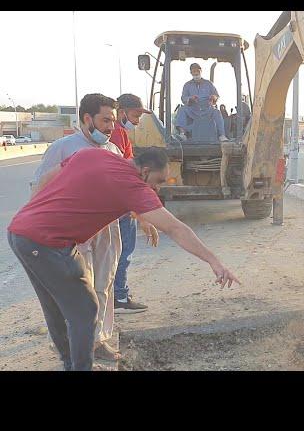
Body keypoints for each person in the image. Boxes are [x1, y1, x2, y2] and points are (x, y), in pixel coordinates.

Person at [8, 146, 239, 371]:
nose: (157, 189)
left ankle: (73, 364)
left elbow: (48, 177)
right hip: (46, 244)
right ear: (145, 171)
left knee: (57, 307)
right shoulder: (134, 187)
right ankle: (79, 367)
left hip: (21, 233)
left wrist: (32, 215)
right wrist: (214, 262)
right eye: (158, 181)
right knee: (86, 309)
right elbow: (176, 229)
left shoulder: (95, 154)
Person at [31, 93, 123, 361]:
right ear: (86, 118)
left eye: (113, 121)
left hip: (106, 231)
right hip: (72, 235)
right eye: (105, 120)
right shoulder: (63, 148)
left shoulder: (113, 150)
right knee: (77, 291)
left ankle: (98, 341)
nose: (110, 127)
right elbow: (39, 188)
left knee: (103, 285)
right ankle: (69, 345)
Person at [110, 93, 158, 314]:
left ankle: (112, 296)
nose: (138, 120)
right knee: (123, 251)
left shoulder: (120, 134)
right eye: (135, 115)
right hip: (120, 206)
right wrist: (139, 213)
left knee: (113, 253)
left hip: (115, 204)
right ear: (121, 113)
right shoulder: (118, 134)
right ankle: (119, 297)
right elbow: (121, 178)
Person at [176, 63, 228, 142]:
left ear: (201, 71)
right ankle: (182, 134)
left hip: (207, 109)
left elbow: (216, 95)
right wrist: (190, 99)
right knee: (181, 110)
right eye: (194, 72)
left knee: (217, 112)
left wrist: (213, 97)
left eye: (197, 71)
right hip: (193, 111)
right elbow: (183, 98)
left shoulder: (209, 84)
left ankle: (222, 135)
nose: (196, 73)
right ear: (191, 73)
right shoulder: (187, 85)